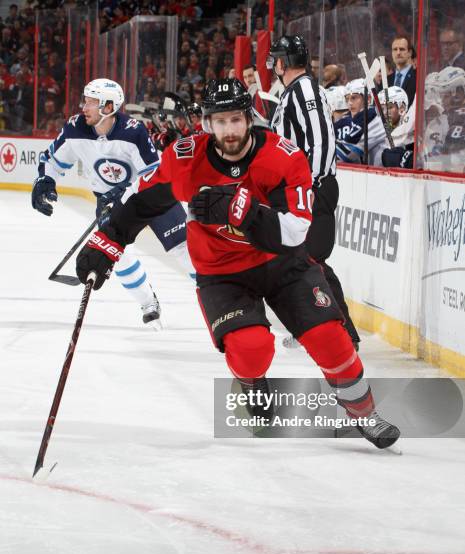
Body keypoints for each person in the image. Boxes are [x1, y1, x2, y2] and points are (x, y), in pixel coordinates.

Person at [75, 77, 400, 449]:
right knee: (251, 348)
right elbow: (141, 204)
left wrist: (242, 212)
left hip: (282, 264)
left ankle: (364, 412)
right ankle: (252, 384)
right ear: (207, 124)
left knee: (330, 338)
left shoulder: (283, 156)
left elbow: (295, 232)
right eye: (220, 121)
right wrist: (106, 244)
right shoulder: (184, 159)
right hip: (222, 273)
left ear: (249, 119)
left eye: (236, 120)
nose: (229, 130)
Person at [31, 78, 192, 327]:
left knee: (184, 249)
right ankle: (148, 301)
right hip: (108, 200)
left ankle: (223, 295)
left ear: (108, 107)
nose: (84, 107)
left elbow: (153, 172)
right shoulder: (75, 129)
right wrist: (44, 181)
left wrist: (126, 191)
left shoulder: (134, 131)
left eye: (92, 102)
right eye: (86, 100)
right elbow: (51, 160)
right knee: (114, 256)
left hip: (153, 195)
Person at [267, 35, 360, 350]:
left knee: (310, 258)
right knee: (298, 258)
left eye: (275, 59)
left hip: (312, 188)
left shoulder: (304, 89)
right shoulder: (293, 92)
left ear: (282, 62)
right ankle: (316, 323)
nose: (273, 66)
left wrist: (309, 184)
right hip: (303, 189)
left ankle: (344, 332)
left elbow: (319, 140)